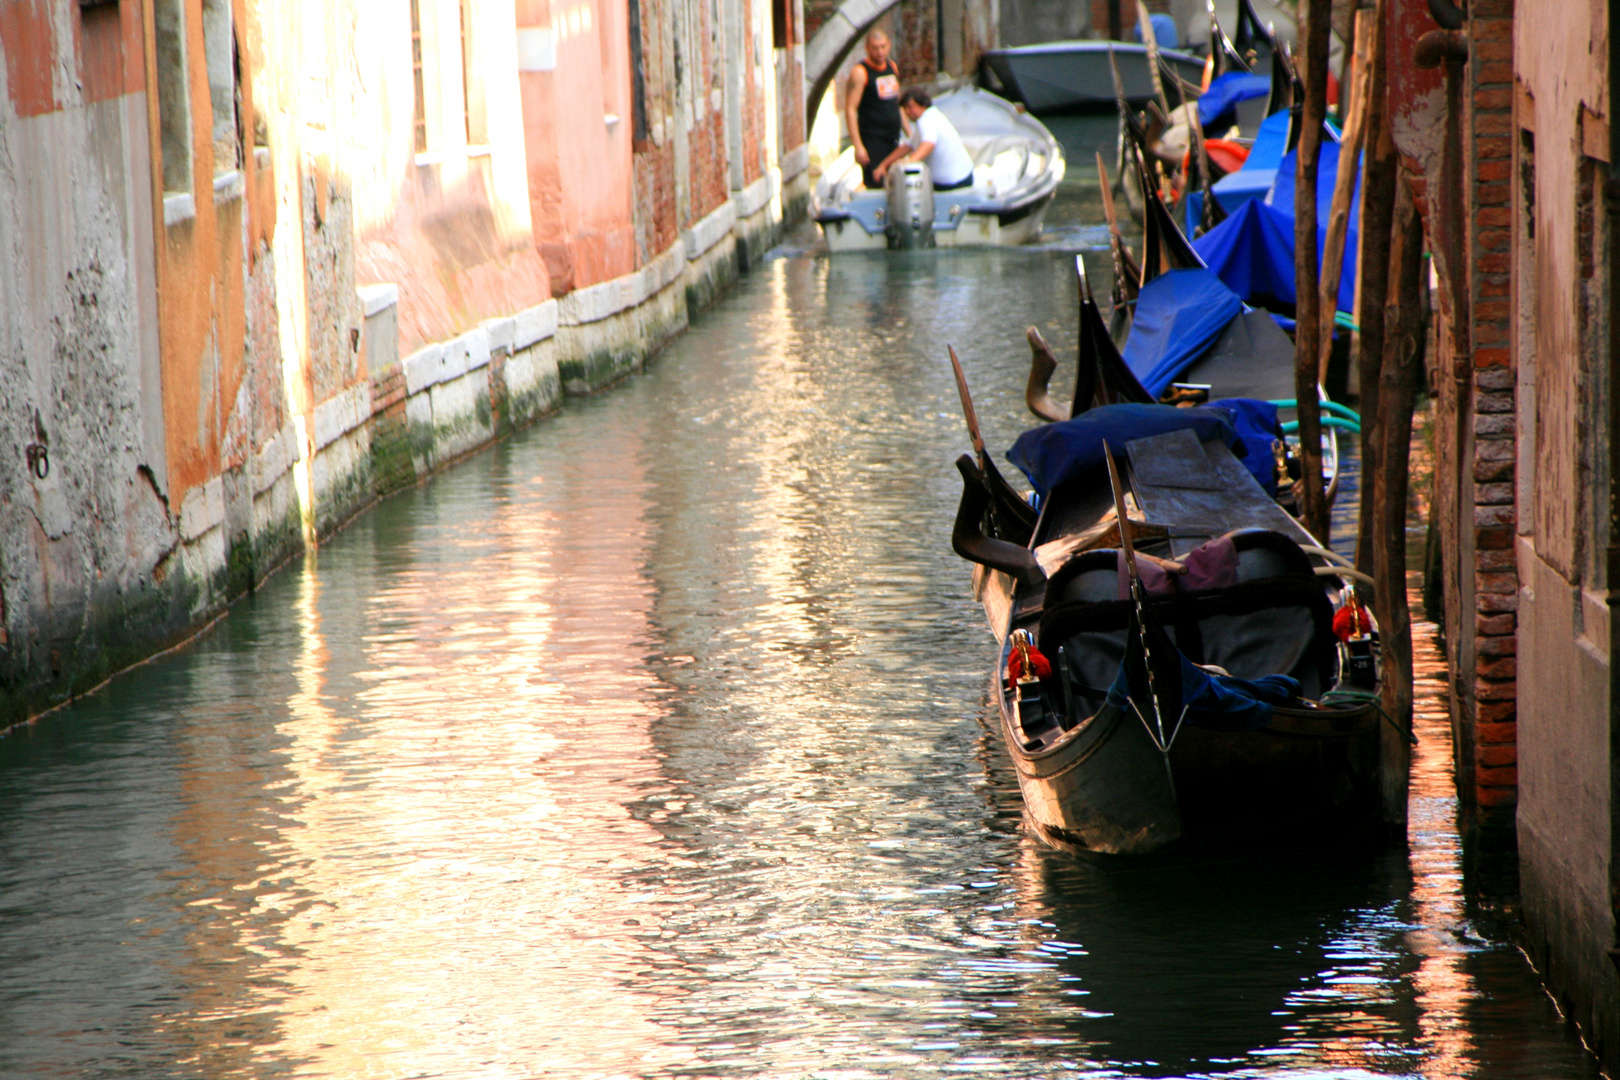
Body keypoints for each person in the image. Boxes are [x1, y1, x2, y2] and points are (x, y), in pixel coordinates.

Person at [872, 88, 975, 191]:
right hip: (963, 176)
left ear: (923, 105)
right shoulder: (930, 117)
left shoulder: (926, 120)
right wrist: (883, 165)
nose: (908, 112)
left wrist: (910, 161)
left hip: (954, 182)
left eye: (910, 107)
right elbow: (908, 146)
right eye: (905, 109)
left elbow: (929, 143)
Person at [844, 31, 902, 190]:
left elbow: (897, 103)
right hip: (873, 140)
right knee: (877, 183)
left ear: (889, 44)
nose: (880, 52)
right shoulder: (860, 72)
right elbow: (850, 110)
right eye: (875, 48)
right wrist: (858, 146)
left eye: (883, 47)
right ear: (867, 48)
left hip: (893, 138)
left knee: (894, 183)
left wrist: (910, 134)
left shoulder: (892, 67)